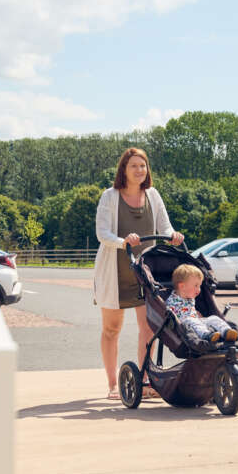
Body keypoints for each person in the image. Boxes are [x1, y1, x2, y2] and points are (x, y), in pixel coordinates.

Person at [94, 147, 184, 399]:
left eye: (143, 166)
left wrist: (173, 236)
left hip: (146, 272)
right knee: (112, 328)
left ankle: (145, 380)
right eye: (134, 165)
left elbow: (165, 227)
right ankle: (113, 384)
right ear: (124, 169)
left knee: (148, 327)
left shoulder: (153, 195)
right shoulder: (109, 197)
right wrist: (124, 241)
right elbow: (102, 234)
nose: (139, 170)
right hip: (116, 271)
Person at [165, 264, 238, 344]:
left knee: (213, 318)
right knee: (191, 320)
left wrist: (196, 313)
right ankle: (206, 335)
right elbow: (169, 313)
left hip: (197, 322)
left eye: (199, 286)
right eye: (196, 285)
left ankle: (226, 331)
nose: (199, 289)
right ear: (182, 286)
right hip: (184, 327)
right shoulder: (172, 300)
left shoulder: (190, 298)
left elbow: (189, 309)